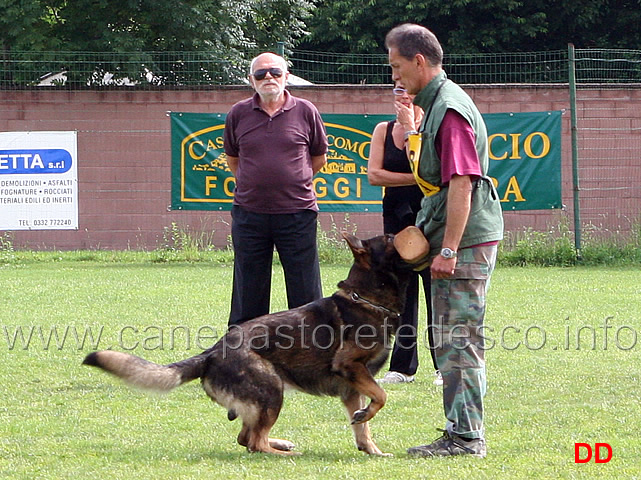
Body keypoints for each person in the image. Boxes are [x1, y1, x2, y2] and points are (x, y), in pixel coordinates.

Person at [385, 24, 504, 458]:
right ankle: (463, 431)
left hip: (465, 241)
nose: (394, 76)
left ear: (419, 61)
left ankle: (466, 438)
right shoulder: (432, 106)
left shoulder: (450, 109)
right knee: (454, 337)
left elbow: (461, 184)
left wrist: (449, 249)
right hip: (458, 235)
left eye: (397, 67)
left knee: (459, 340)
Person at [223, 52, 328, 325]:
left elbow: (319, 158)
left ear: (287, 77)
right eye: (260, 74)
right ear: (251, 80)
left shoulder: (306, 111)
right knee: (249, 290)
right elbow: (234, 159)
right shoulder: (238, 113)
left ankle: (313, 351)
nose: (268, 77)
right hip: (249, 215)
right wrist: (255, 183)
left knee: (306, 290)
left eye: (275, 72)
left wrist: (294, 180)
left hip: (298, 213)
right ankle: (243, 352)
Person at [367, 85, 441, 386]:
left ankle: (442, 366)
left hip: (431, 216)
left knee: (436, 291)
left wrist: (412, 129)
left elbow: (434, 170)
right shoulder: (383, 130)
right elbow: (374, 175)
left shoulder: (433, 127)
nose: (404, 97)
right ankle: (402, 366)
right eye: (398, 92)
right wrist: (417, 178)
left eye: (408, 91)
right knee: (402, 291)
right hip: (396, 216)